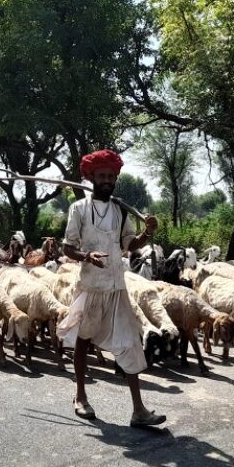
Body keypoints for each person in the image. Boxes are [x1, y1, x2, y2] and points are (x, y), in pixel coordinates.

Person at [56, 149, 166, 427]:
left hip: (117, 287)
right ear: (91, 177)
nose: (107, 180)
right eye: (101, 175)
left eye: (111, 175)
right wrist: (86, 256)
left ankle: (139, 410)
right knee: (83, 340)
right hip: (91, 286)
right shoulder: (78, 209)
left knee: (130, 343)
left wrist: (148, 233)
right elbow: (67, 247)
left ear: (115, 177)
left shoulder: (119, 210)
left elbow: (130, 245)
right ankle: (80, 397)